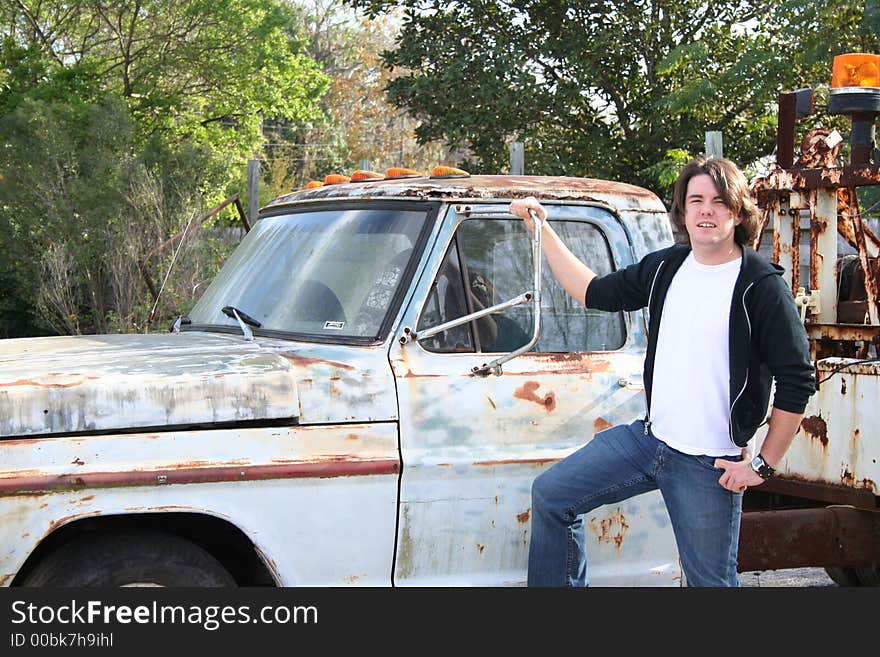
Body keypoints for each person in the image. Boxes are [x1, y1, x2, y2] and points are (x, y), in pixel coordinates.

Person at [508, 156, 815, 587]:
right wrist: (540, 227)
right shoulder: (667, 267)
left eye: (719, 201)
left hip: (709, 464)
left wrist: (762, 465)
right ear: (684, 212)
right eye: (696, 201)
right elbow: (591, 291)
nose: (706, 210)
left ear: (739, 212)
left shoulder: (761, 286)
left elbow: (798, 381)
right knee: (553, 496)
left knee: (711, 584)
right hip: (648, 441)